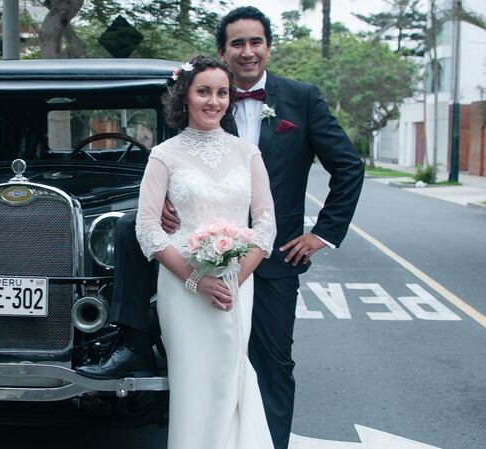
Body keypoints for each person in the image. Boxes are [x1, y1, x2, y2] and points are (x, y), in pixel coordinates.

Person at [78, 6, 365, 449]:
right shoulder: (206, 97)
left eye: (256, 42)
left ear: (268, 46)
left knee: (270, 363)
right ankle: (131, 338)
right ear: (222, 51)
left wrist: (321, 233)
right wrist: (175, 202)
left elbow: (347, 166)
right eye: (237, 43)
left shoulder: (301, 99)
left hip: (273, 255)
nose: (248, 52)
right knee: (130, 224)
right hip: (193, 252)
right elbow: (178, 161)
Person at [148, 54, 276, 449]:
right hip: (182, 287)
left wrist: (233, 280)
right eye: (204, 91)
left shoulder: (247, 154)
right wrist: (196, 280)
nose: (213, 101)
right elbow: (148, 228)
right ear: (185, 96)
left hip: (237, 286)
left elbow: (266, 225)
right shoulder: (164, 155)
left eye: (222, 93)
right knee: (192, 380)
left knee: (228, 374)